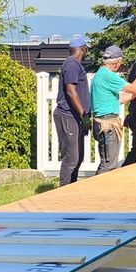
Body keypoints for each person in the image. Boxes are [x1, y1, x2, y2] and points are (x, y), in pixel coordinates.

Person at [89, 44, 135, 172]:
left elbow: (119, 99)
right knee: (108, 165)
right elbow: (134, 88)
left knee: (109, 162)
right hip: (108, 125)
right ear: (117, 62)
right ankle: (96, 190)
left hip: (103, 123)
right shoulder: (109, 76)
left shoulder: (99, 75)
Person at [54, 34, 90, 186]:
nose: (87, 51)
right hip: (67, 115)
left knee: (78, 157)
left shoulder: (74, 65)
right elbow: (71, 91)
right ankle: (63, 191)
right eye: (86, 49)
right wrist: (84, 115)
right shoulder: (72, 65)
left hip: (75, 117)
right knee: (71, 158)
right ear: (82, 49)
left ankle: (72, 187)